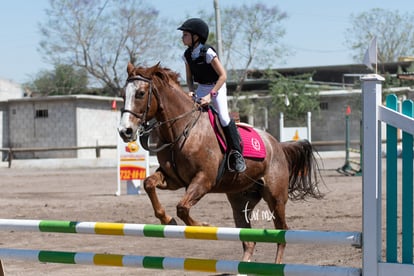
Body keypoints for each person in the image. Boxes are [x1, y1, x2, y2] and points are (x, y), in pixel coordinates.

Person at [177, 18, 246, 173]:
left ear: (196, 37)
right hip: (201, 87)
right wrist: (190, 90)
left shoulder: (207, 52)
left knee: (223, 117)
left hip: (217, 86)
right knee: (191, 114)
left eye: (185, 34)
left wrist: (210, 96)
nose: (182, 37)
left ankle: (236, 153)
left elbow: (223, 75)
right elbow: (189, 78)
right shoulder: (187, 55)